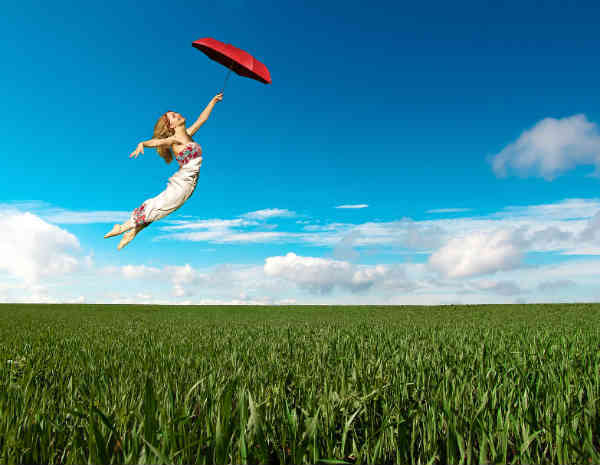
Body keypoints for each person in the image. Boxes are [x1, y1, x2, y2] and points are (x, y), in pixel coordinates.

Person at [104, 92, 223, 249]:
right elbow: (158, 141)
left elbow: (202, 119)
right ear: (171, 126)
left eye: (175, 113)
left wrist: (213, 101)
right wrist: (143, 144)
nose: (178, 114)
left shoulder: (188, 134)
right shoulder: (175, 140)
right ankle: (123, 227)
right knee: (160, 206)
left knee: (164, 209)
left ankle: (133, 232)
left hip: (190, 184)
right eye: (173, 116)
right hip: (182, 183)